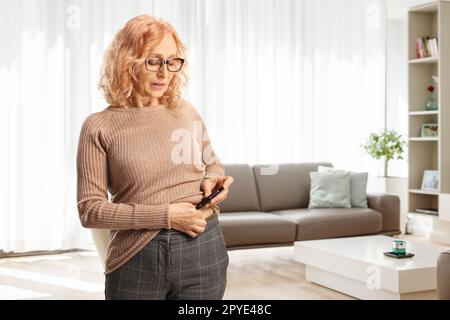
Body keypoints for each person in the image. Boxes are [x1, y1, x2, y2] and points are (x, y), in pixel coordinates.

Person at [76, 15, 233, 300]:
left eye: (172, 61)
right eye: (153, 61)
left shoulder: (186, 111)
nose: (165, 73)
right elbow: (90, 210)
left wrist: (213, 180)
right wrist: (167, 216)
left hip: (205, 245)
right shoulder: (99, 126)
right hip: (138, 256)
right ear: (127, 62)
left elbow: (213, 162)